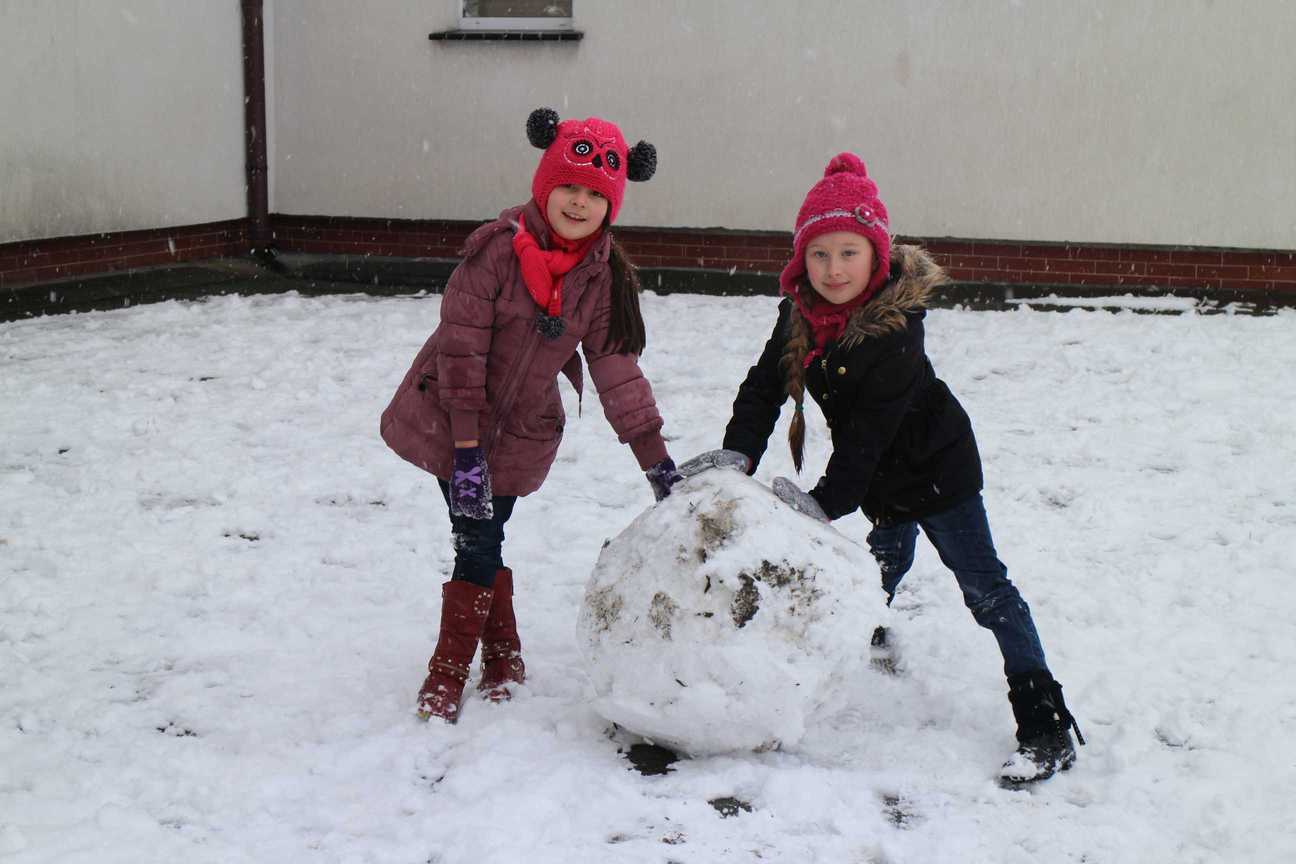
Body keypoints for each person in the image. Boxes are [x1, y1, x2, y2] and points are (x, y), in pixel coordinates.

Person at [680, 153, 1083, 786]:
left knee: (985, 590)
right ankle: (866, 628)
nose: (833, 269)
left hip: (937, 473)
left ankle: (1045, 718)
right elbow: (764, 386)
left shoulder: (896, 331)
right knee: (883, 563)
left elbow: (866, 438)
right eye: (819, 254)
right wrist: (740, 452)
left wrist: (819, 504)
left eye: (848, 253)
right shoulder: (800, 316)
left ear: (875, 255)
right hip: (881, 482)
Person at [381, 108, 681, 724]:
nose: (579, 202)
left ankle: (501, 648)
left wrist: (657, 466)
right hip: (452, 419)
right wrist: (466, 449)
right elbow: (460, 347)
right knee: (476, 539)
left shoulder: (601, 278)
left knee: (485, 536)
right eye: (568, 185)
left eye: (596, 194)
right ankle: (452, 668)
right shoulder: (495, 252)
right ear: (546, 184)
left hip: (520, 434)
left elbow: (616, 368)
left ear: (612, 204)